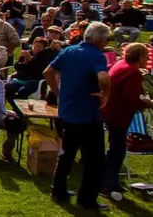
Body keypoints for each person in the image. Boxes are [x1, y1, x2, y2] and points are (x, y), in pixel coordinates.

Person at [43, 21, 111, 210]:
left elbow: (48, 72)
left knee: (66, 153)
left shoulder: (68, 51)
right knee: (94, 160)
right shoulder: (97, 56)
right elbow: (104, 78)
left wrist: (57, 93)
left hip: (67, 112)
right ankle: (87, 199)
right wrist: (106, 94)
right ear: (99, 39)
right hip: (88, 115)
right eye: (107, 38)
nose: (107, 42)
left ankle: (58, 189)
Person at [101, 43, 153, 200]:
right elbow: (132, 98)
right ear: (140, 56)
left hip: (110, 112)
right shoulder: (133, 72)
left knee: (115, 149)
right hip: (118, 115)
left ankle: (112, 182)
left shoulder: (121, 64)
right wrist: (147, 103)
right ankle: (107, 184)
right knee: (117, 151)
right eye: (146, 56)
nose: (148, 59)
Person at [5, 37, 57, 106]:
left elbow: (38, 69)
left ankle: (21, 110)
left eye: (40, 47)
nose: (37, 48)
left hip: (34, 80)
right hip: (20, 78)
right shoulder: (27, 53)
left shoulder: (44, 57)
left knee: (23, 91)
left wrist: (30, 59)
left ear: (44, 48)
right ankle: (15, 107)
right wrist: (25, 63)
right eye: (36, 46)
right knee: (8, 87)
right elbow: (17, 66)